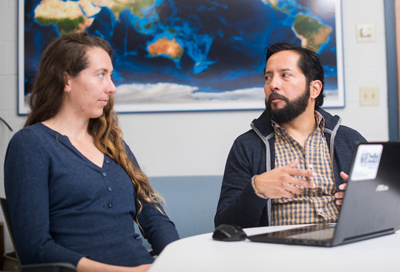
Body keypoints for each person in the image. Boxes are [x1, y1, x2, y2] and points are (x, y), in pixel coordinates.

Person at [4, 32, 179, 272]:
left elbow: (152, 217)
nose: (112, 87)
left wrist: (180, 259)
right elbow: (35, 248)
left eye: (111, 76)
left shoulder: (112, 143)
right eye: (101, 75)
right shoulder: (30, 145)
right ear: (67, 80)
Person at [215, 42, 367, 228]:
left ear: (314, 89)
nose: (273, 85)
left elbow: (381, 210)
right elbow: (224, 226)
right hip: (278, 252)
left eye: (285, 75)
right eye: (267, 77)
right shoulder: (246, 146)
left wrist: (364, 200)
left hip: (341, 249)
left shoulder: (350, 140)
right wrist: (257, 189)